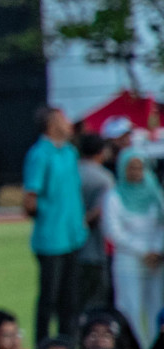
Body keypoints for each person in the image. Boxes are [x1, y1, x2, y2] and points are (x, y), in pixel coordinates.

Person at [23, 106, 88, 341]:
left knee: (70, 298)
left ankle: (67, 344)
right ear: (51, 125)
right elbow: (29, 199)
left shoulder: (70, 152)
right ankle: (42, 344)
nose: (68, 122)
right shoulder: (40, 154)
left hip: (73, 235)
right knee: (49, 298)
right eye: (62, 119)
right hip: (51, 238)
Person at [103, 148, 164, 349]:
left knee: (156, 307)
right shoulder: (115, 196)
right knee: (130, 308)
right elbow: (114, 231)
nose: (136, 172)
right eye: (132, 167)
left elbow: (160, 225)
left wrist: (157, 249)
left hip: (156, 261)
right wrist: (142, 251)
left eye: (140, 167)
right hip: (128, 261)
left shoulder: (155, 193)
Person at [77, 133, 115, 312]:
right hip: (95, 250)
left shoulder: (71, 173)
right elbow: (103, 212)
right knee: (96, 304)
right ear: (102, 151)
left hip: (69, 249)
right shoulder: (104, 178)